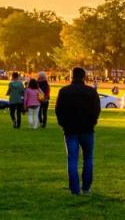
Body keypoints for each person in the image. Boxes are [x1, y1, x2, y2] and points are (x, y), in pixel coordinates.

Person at [55, 67, 101, 195]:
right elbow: (96, 109)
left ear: (72, 76)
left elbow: (59, 110)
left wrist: (63, 124)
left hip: (70, 130)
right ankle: (86, 187)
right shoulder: (91, 92)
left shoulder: (64, 91)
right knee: (88, 159)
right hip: (87, 129)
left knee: (72, 159)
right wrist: (93, 122)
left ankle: (75, 189)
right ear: (84, 77)